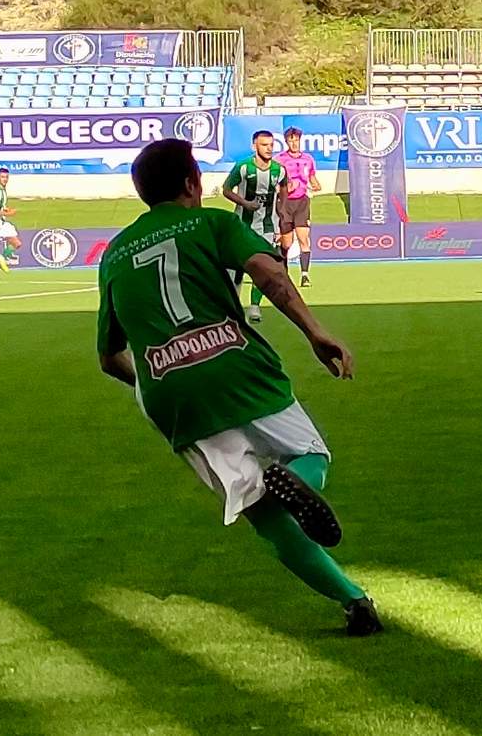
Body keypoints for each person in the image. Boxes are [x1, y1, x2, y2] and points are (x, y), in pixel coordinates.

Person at [94, 138, 378, 637]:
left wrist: (153, 384)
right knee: (311, 453)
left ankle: (355, 603)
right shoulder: (212, 222)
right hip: (236, 366)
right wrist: (315, 332)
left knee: (264, 515)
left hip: (172, 395)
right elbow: (267, 271)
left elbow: (108, 357)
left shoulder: (114, 253)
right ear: (191, 183)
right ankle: (302, 485)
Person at [222, 130, 287, 323]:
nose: (269, 149)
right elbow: (226, 189)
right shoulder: (243, 167)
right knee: (238, 267)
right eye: (264, 145)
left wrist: (280, 211)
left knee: (262, 266)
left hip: (266, 226)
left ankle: (254, 306)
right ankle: (233, 307)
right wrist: (245, 203)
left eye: (271, 145)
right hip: (242, 224)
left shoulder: (279, 169)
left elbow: (284, 189)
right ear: (254, 146)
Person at [275, 127, 322, 288]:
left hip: (302, 203)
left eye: (297, 140)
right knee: (286, 243)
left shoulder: (308, 159)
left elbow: (312, 178)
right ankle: (283, 272)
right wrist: (287, 187)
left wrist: (315, 185)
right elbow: (274, 184)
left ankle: (305, 275)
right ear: (286, 141)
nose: (294, 143)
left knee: (304, 239)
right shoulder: (279, 160)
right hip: (285, 204)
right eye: (291, 140)